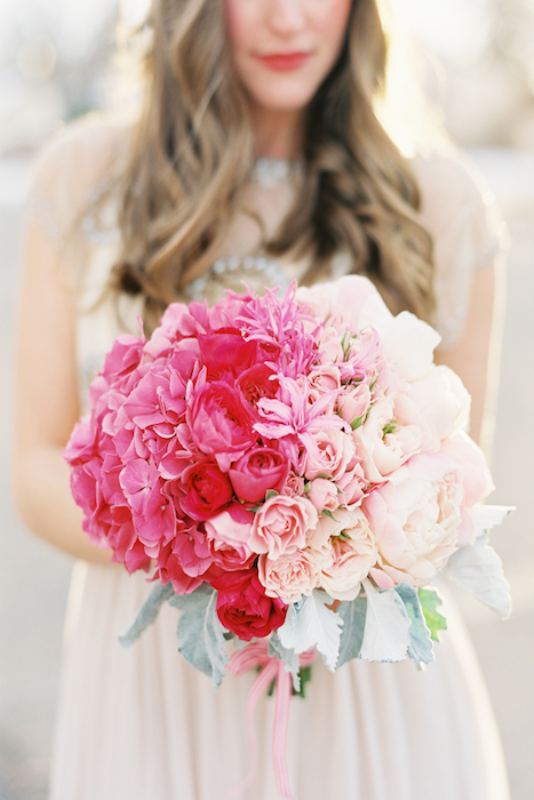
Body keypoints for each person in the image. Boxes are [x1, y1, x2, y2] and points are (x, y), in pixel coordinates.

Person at [14, 0, 509, 797]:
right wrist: (209, 541)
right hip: (152, 692)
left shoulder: (436, 204)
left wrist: (318, 532)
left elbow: (451, 486)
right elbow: (35, 467)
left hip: (367, 689)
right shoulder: (87, 181)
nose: (289, 18)